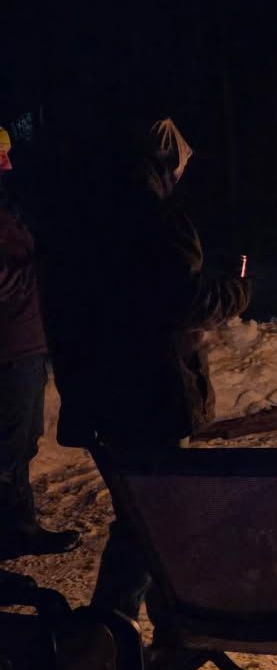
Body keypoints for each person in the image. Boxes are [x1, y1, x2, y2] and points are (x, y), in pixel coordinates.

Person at [42, 117, 249, 641]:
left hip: (96, 394)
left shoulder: (74, 221)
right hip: (150, 395)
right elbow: (182, 302)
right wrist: (235, 291)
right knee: (150, 519)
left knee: (145, 513)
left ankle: (167, 624)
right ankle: (106, 638)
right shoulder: (157, 221)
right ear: (160, 166)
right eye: (176, 167)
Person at [0, 125, 79, 560]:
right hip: (9, 346)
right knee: (10, 444)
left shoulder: (9, 209)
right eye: (1, 156)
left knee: (20, 439)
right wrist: (39, 271)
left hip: (21, 341)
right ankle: (15, 531)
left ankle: (18, 526)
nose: (8, 164)